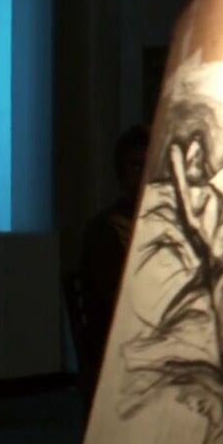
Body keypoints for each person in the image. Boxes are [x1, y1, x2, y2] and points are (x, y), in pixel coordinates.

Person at [78, 124, 149, 406]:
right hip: (120, 343)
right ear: (121, 172)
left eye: (148, 165)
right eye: (135, 166)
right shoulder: (107, 229)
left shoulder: (163, 224)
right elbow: (112, 299)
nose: (143, 175)